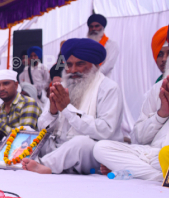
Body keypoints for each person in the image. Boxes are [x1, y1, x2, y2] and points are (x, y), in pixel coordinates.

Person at [94, 14, 169, 181]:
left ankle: (167, 174)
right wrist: (161, 114)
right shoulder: (158, 89)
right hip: (152, 155)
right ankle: (166, 177)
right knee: (101, 148)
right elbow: (137, 138)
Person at [21, 38, 123, 175]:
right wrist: (53, 112)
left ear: (95, 65)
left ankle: (44, 164)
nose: (73, 70)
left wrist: (66, 109)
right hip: (59, 147)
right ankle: (5, 160)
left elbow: (105, 130)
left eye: (80, 64)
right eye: (69, 65)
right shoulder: (62, 87)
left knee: (81, 143)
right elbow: (42, 128)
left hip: (89, 152)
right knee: (27, 132)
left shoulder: (108, 88)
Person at [0, 70, 40, 141]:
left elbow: (24, 138)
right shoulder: (0, 109)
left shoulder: (28, 103)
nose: (1, 88)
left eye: (6, 83)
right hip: (5, 151)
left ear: (16, 85)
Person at [87, 14, 119, 78]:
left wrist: (90, 77)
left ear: (102, 27)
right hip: (85, 82)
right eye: (91, 26)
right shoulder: (85, 45)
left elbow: (107, 66)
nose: (93, 29)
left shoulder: (111, 45)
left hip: (103, 81)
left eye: (97, 26)